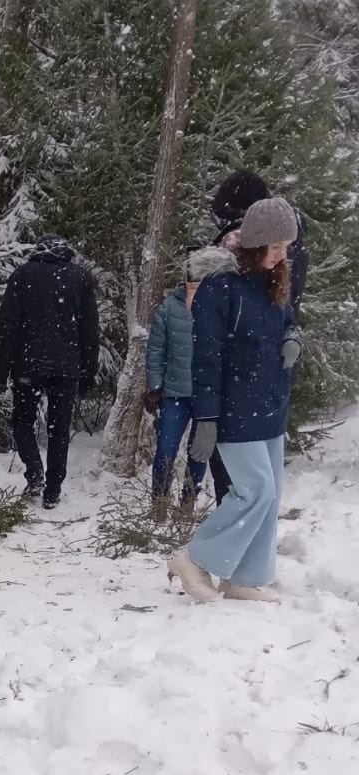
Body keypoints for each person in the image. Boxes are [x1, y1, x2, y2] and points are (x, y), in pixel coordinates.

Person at [167, 197, 299, 603]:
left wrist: (294, 337)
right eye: (275, 246)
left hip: (270, 404)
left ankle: (244, 576)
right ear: (256, 243)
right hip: (234, 408)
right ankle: (193, 558)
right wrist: (206, 417)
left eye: (285, 247)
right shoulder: (219, 289)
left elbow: (288, 321)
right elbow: (206, 358)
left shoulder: (272, 283)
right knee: (254, 489)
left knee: (271, 491)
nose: (281, 255)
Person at [207, 170, 308, 505]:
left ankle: (215, 553)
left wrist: (290, 336)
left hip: (247, 376)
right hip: (258, 375)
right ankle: (227, 552)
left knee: (254, 491)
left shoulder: (253, 255)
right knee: (257, 491)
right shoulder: (233, 258)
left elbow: (284, 311)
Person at [0, 234, 100, 510]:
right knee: (58, 429)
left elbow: (8, 325)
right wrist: (88, 371)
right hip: (66, 368)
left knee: (22, 421)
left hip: (28, 364)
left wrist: (1, 369)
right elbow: (89, 330)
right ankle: (53, 488)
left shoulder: (23, 275)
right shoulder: (80, 277)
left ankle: (34, 471)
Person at [143, 245, 237, 514]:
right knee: (165, 450)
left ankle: (187, 501)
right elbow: (156, 348)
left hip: (207, 397)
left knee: (199, 454)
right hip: (175, 393)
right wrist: (155, 385)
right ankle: (158, 503)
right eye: (191, 278)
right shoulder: (171, 306)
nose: (194, 285)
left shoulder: (221, 308)